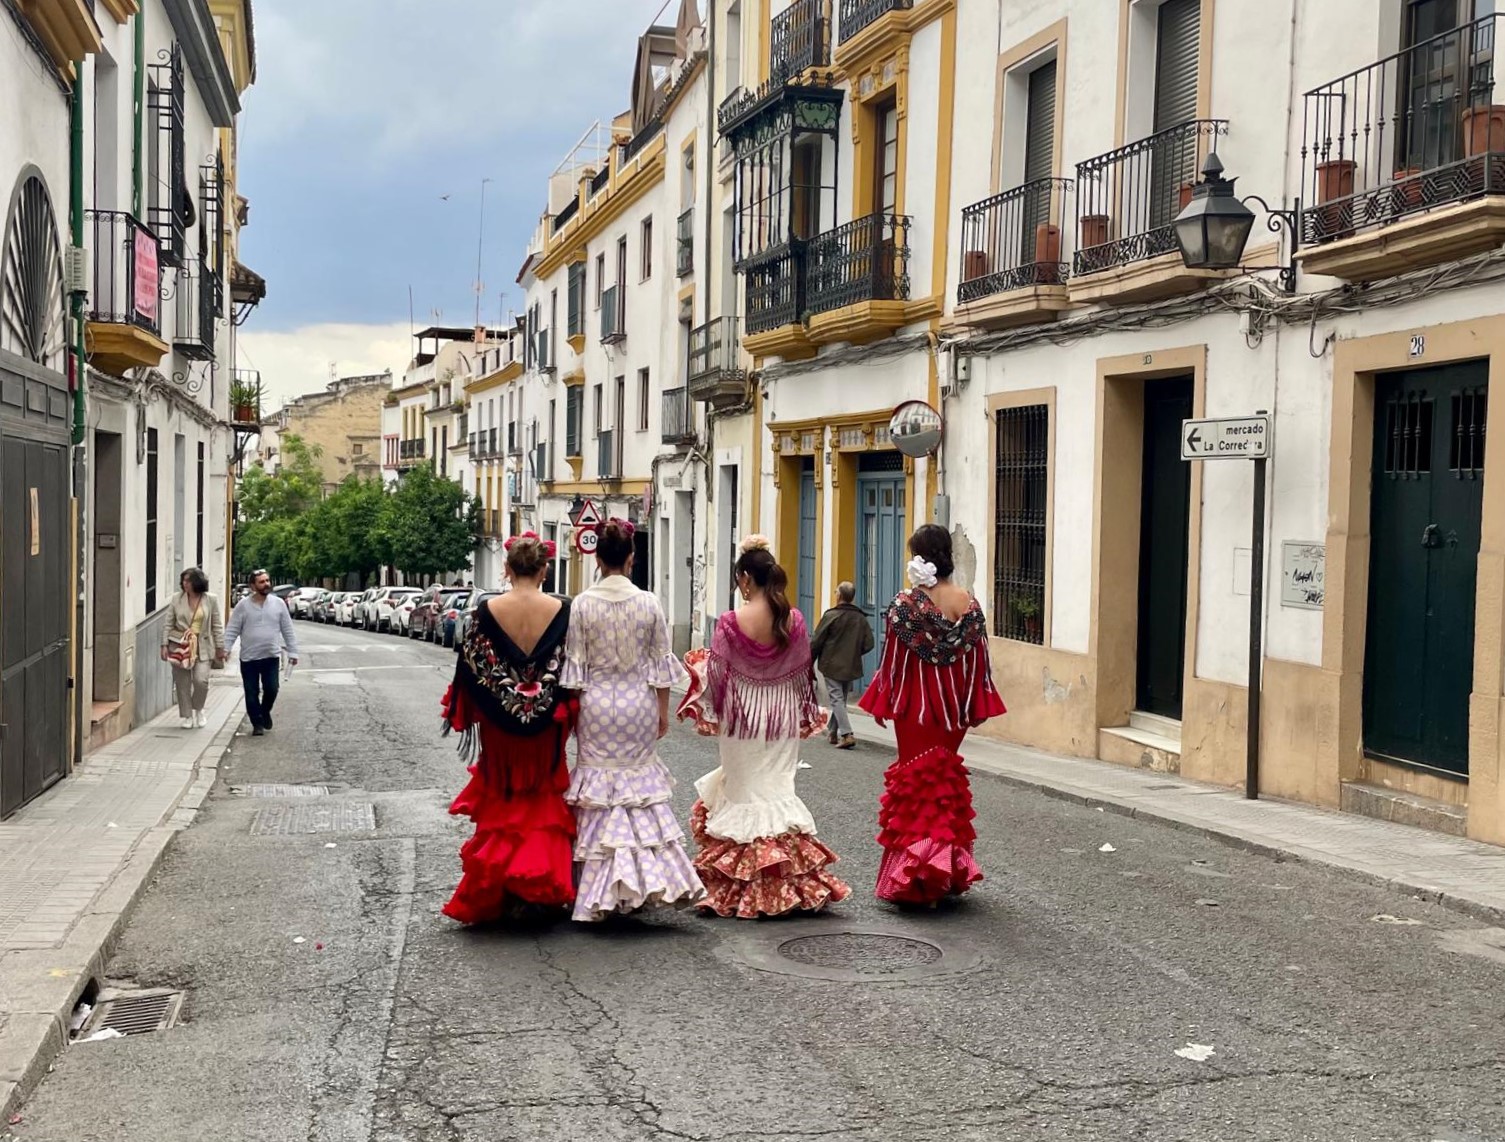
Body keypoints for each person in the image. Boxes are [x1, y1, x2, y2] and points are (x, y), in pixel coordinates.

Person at [678, 535, 850, 918]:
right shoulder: (794, 618)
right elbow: (803, 671)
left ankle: (744, 883)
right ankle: (785, 879)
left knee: (744, 788)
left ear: (744, 579)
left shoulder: (730, 622)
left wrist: (711, 708)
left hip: (742, 714)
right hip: (781, 714)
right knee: (777, 785)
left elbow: (718, 675)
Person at [561, 519, 703, 922]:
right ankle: (646, 879)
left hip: (596, 706)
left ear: (597, 559)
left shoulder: (583, 604)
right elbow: (661, 665)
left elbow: (575, 668)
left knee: (598, 794)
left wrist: (573, 716)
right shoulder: (649, 602)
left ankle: (598, 886)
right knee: (637, 793)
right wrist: (661, 711)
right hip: (638, 704)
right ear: (631, 558)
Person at [859, 525, 1006, 905]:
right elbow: (978, 661)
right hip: (953, 707)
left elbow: (892, 661)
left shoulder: (904, 606)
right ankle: (943, 870)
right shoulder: (968, 605)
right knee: (943, 784)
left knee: (915, 784)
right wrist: (975, 705)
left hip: (916, 708)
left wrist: (884, 701)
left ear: (919, 556)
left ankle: (916, 874)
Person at [440, 533, 576, 924]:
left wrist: (497, 701)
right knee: (542, 799)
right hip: (548, 724)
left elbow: (471, 668)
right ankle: (540, 885)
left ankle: (503, 886)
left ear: (507, 569)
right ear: (544, 570)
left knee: (504, 798)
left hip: (499, 724)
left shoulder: (485, 611)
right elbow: (574, 667)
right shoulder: (564, 611)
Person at [224, 569, 299, 737]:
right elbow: (232, 629)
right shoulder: (243, 606)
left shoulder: (278, 604)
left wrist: (293, 652)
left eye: (267, 581)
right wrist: (226, 648)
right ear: (252, 586)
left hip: (271, 656)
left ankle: (265, 711)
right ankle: (257, 723)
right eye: (262, 582)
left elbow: (287, 629)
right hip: (249, 658)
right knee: (251, 693)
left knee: (272, 689)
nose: (266, 584)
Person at [809, 581, 873, 750]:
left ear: (839, 595)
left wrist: (809, 661)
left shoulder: (831, 616)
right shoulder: (860, 618)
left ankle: (846, 734)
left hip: (831, 664)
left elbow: (816, 641)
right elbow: (869, 643)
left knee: (837, 699)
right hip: (851, 664)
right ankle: (832, 732)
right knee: (840, 699)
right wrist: (854, 653)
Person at [161, 567, 226, 729]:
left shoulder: (210, 599)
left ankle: (199, 709)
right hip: (180, 646)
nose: (185, 583)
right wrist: (164, 645)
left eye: (189, 580)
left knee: (201, 680)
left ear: (197, 582)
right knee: (182, 683)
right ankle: (187, 716)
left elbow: (217, 625)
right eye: (183, 580)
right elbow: (168, 623)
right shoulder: (177, 599)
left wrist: (220, 647)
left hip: (202, 645)